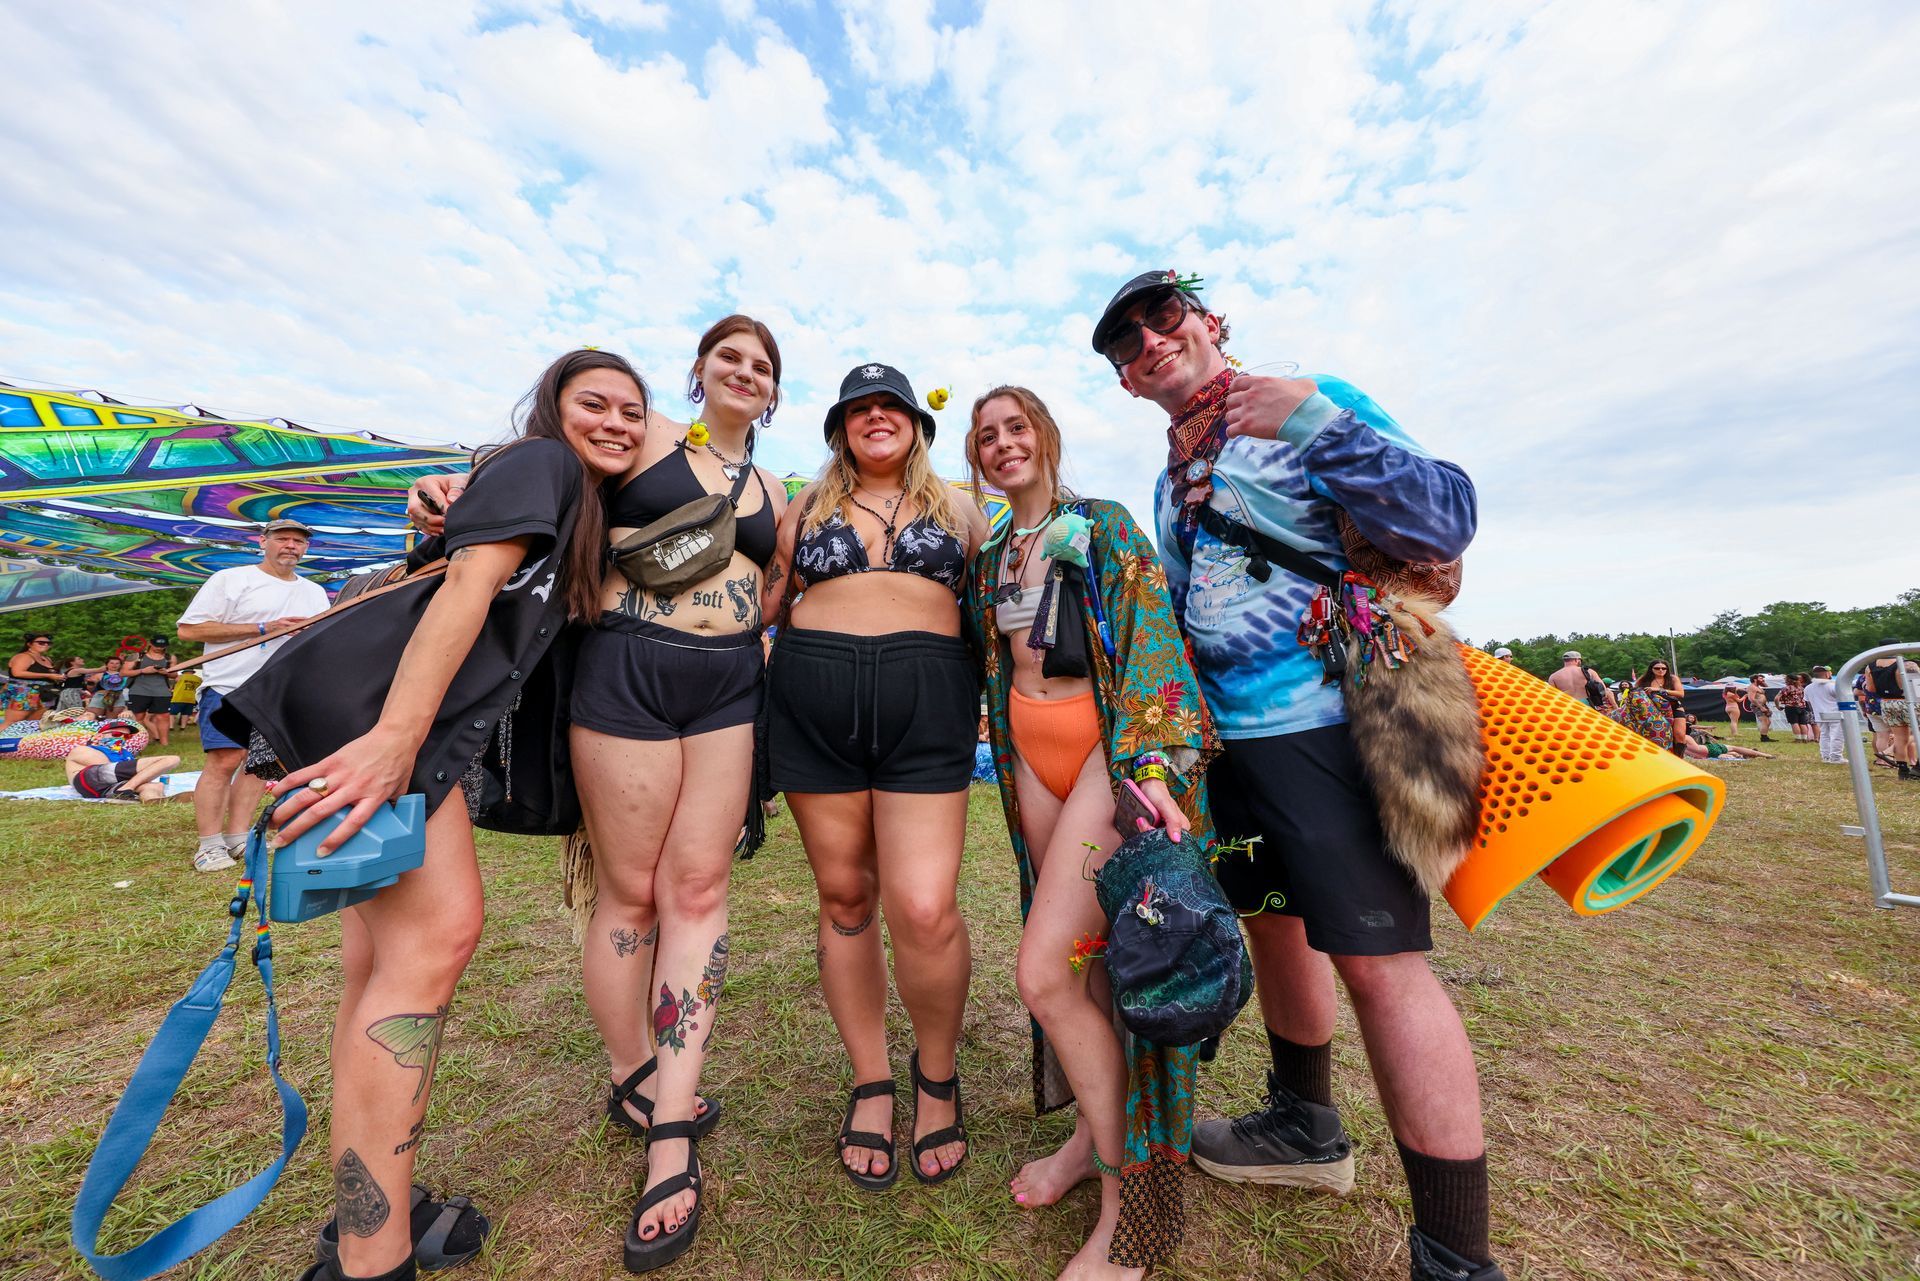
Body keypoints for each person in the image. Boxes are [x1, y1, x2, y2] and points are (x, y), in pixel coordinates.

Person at [1089, 268, 1501, 1280]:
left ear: (1209, 320)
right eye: (1127, 343)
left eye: (1164, 316)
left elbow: (1446, 516)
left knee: (1380, 964)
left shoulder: (1315, 400)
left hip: (1330, 726)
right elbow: (1180, 618)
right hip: (1232, 747)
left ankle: (1457, 1257)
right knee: (1272, 924)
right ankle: (1304, 1125)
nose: (1150, 341)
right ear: (1127, 381)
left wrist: (1312, 421)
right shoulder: (1172, 476)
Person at [217, 348, 636, 1281]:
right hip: (376, 713)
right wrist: (395, 740)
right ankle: (374, 1259)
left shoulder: (562, 496)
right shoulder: (544, 463)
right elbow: (466, 588)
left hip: (364, 704)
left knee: (377, 966)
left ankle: (369, 1215)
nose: (615, 421)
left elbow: (444, 566)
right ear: (551, 410)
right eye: (594, 403)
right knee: (435, 941)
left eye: (631, 411)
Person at [963, 385, 1215, 1277]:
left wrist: (1150, 765)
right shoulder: (992, 553)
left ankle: (1130, 1208)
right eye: (986, 436)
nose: (1003, 444)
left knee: (1044, 972)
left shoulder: (1102, 524)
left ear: (1045, 435)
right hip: (1031, 758)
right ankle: (1086, 1140)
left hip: (1105, 754)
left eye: (1016, 427)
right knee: (1089, 965)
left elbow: (1151, 638)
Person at [764, 362, 990, 1196]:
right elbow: (760, 602)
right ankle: (871, 1079)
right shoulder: (804, 509)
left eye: (890, 404)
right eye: (857, 409)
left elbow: (999, 596)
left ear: (917, 424)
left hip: (926, 709)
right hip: (813, 707)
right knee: (845, 895)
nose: (875, 416)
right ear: (839, 429)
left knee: (923, 906)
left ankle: (937, 1076)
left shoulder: (960, 508)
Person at [176, 519, 330, 872]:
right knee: (225, 760)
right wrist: (263, 628)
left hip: (281, 690)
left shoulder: (314, 592)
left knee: (258, 767)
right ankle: (208, 845)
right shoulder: (231, 579)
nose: (291, 546)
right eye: (282, 539)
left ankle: (238, 837)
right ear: (263, 541)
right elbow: (189, 630)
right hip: (229, 685)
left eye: (298, 541)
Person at [1863, 648, 1919, 780]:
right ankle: (1917, 768)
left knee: (1900, 737)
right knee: (1916, 734)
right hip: (1907, 701)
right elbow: (1916, 687)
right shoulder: (1907, 664)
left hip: (1887, 703)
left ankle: (1903, 771)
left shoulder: (1870, 667)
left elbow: (1870, 688)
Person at [64, 741, 183, 801]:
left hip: (100, 790)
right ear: (98, 737)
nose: (120, 739)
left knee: (155, 786)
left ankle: (153, 801)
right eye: (116, 734)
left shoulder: (125, 754)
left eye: (125, 737)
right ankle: (126, 788)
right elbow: (105, 767)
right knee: (172, 759)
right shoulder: (84, 749)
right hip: (87, 778)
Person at [125, 639, 176, 747]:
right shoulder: (136, 656)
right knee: (138, 716)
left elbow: (174, 675)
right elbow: (123, 672)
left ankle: (164, 743)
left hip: (161, 691)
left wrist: (166, 672)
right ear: (150, 644)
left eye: (162, 646)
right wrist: (143, 670)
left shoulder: (170, 657)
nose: (159, 648)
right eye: (156, 645)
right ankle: (138, 742)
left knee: (164, 716)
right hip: (139, 690)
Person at [5, 632, 62, 727]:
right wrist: (48, 676)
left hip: (44, 694)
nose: (46, 645)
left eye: (48, 643)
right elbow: (17, 672)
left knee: (33, 724)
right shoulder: (24, 656)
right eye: (41, 643)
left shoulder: (47, 658)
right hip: (23, 692)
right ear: (29, 644)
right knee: (12, 723)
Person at [1637, 661, 1686, 756]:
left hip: (1674, 707)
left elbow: (1681, 693)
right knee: (1655, 735)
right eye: (1657, 668)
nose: (1661, 670)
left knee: (1679, 734)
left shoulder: (1673, 678)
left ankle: (1679, 758)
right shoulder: (1644, 680)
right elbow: (1636, 693)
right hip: (1653, 711)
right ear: (1651, 669)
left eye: (1664, 668)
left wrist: (1660, 690)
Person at [1546, 650, 1614, 711]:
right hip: (1586, 706)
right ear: (1576, 660)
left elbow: (1551, 697)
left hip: (1566, 707)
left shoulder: (1553, 676)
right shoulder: (1589, 672)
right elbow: (1603, 690)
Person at [1805, 665, 1844, 763]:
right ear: (1827, 674)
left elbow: (1808, 702)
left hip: (1819, 714)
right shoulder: (1832, 685)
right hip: (1835, 713)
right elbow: (1842, 698)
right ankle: (1836, 757)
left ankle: (1825, 756)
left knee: (1824, 735)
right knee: (1836, 736)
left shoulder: (1808, 688)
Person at [1775, 673, 1813, 743]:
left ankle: (1798, 739)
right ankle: (1804, 738)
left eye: (1785, 679)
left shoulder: (1787, 688)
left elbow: (1776, 698)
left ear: (1788, 680)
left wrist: (1777, 706)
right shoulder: (1801, 688)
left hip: (1791, 707)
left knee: (1794, 723)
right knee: (1802, 724)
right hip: (1802, 707)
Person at [1744, 674, 1773, 742]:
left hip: (1762, 705)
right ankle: (1764, 738)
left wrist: (1762, 681)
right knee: (1764, 721)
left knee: (1768, 722)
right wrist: (1761, 707)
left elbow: (1767, 687)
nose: (1762, 680)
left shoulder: (1757, 686)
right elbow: (1751, 699)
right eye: (1760, 678)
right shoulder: (1752, 687)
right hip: (1757, 705)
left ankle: (1765, 736)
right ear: (1755, 679)